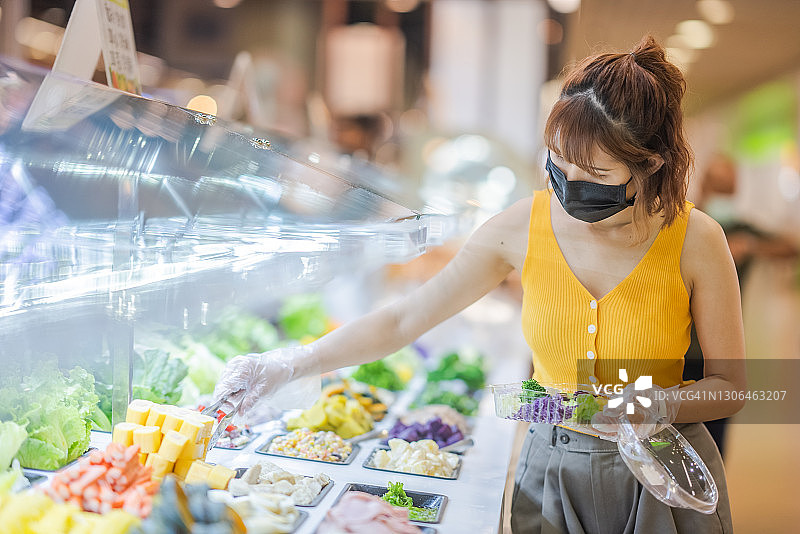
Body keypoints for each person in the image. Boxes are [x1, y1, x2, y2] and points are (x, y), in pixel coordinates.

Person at [214, 36, 745, 533]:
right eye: (557, 163)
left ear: (649, 164)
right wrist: (293, 363)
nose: (570, 186)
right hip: (552, 469)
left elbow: (732, 386)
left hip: (662, 475)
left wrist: (647, 407)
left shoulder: (696, 239)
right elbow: (405, 318)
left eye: (598, 176)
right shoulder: (521, 226)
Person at [683, 153, 797, 457]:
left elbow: (790, 247)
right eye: (718, 185)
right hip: (680, 353)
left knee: (715, 446)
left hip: (721, 354)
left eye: (729, 187)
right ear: (706, 184)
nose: (725, 193)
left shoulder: (740, 229)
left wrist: (752, 247)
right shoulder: (683, 227)